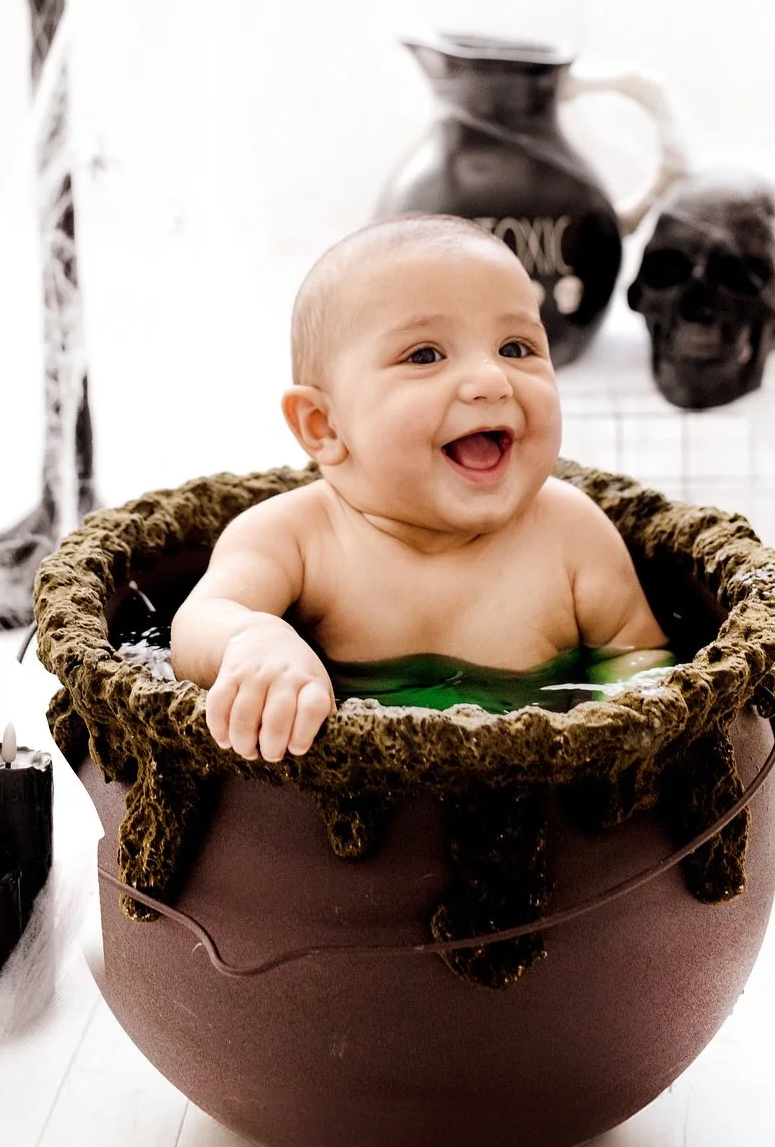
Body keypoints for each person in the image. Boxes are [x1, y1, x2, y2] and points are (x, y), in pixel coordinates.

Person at [170, 215, 672, 761]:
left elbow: (637, 656)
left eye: (516, 348)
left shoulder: (572, 533)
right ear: (324, 425)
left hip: (535, 794)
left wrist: (624, 727)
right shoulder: (295, 535)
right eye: (426, 355)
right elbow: (199, 621)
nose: (491, 380)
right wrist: (253, 641)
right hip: (352, 808)